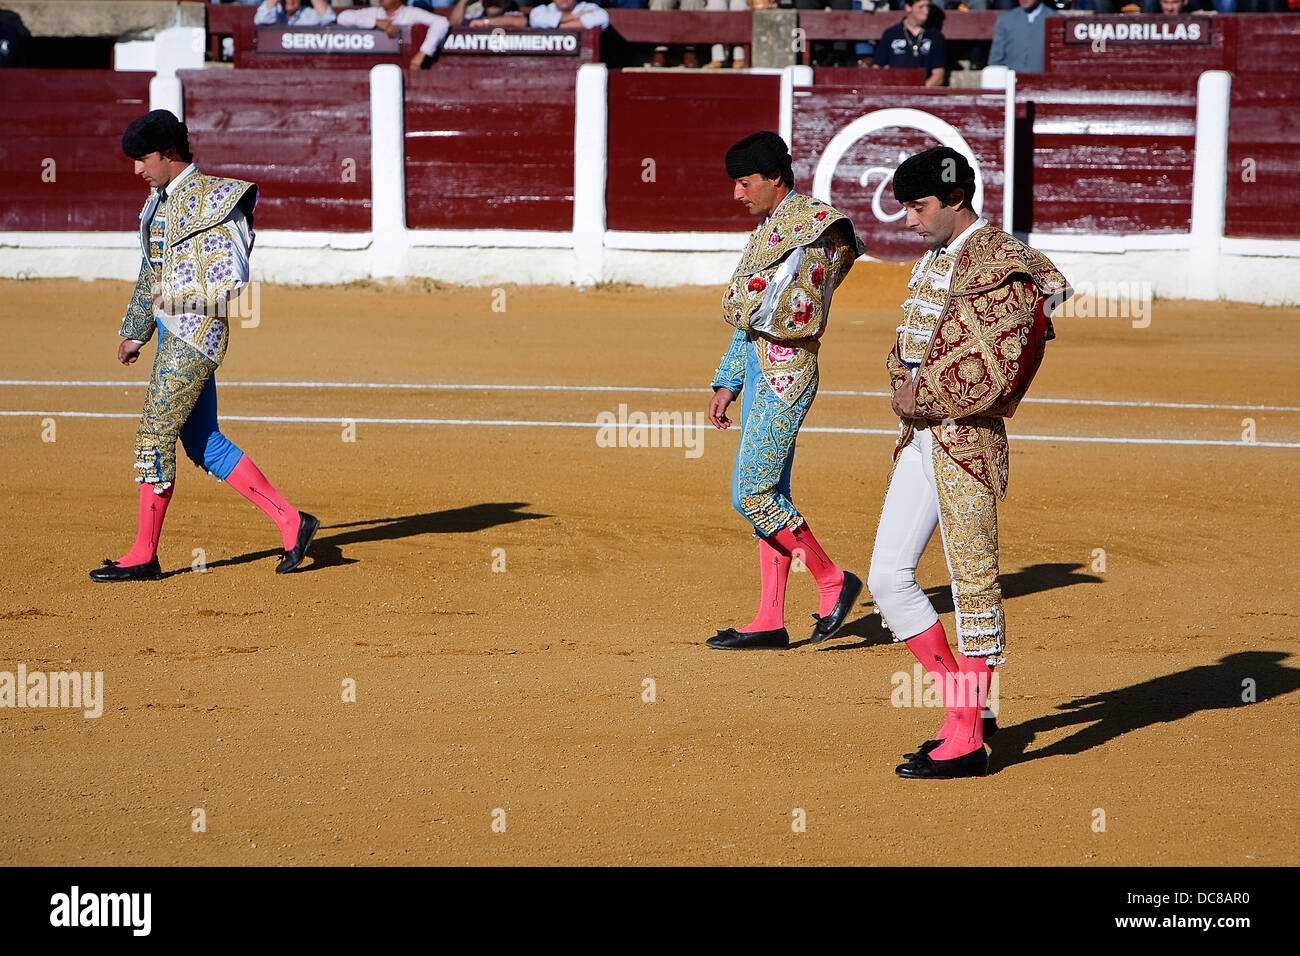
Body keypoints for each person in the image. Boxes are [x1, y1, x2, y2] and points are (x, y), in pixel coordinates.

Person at [868, 147, 1070, 778]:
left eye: (917, 206)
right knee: (887, 577)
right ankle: (968, 712)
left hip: (968, 441)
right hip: (922, 435)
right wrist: (907, 392)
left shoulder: (1000, 264)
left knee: (972, 583)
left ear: (955, 200)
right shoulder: (939, 258)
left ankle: (965, 734)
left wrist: (917, 392)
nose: (907, 221)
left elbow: (996, 370)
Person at [91, 110, 318, 582]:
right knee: (202, 442)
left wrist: (173, 300)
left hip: (195, 334)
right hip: (173, 332)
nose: (137, 169)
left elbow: (233, 280)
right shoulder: (159, 201)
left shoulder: (218, 199)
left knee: (155, 435)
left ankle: (142, 555)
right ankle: (292, 522)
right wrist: (136, 330)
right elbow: (151, 268)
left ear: (169, 154)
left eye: (143, 159)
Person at [706, 132, 865, 651]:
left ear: (775, 178)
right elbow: (753, 317)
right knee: (772, 495)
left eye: (745, 182)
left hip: (785, 370)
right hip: (758, 367)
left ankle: (831, 579)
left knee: (751, 494)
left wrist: (750, 319)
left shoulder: (817, 228)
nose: (737, 193)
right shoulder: (774, 227)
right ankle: (769, 619)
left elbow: (794, 312)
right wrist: (730, 379)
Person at [336, 0, 451, 69]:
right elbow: (342, 17)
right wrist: (375, 22)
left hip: (406, 68)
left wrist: (422, 53)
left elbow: (442, 22)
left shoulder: (411, 13)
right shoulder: (375, 13)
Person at [872, 0, 946, 87]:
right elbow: (877, 67)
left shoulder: (935, 36)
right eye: (921, 7)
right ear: (908, 7)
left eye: (928, 6)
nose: (926, 11)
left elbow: (938, 75)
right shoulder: (891, 34)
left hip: (924, 94)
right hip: (894, 92)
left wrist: (919, 92)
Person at [987, 0, 1056, 74]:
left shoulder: (1055, 20)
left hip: (1045, 82)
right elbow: (995, 60)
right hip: (1012, 82)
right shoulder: (1005, 20)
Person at [527, 0, 611, 30]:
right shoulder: (542, 10)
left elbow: (603, 18)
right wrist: (573, 17)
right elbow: (535, 20)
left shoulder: (588, 7)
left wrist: (561, 27)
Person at [448, 0, 524, 27]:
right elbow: (453, 24)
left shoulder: (512, 7)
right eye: (489, 1)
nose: (494, 2)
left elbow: (521, 22)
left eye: (498, 1)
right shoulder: (474, 9)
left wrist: (485, 22)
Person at [253, 0, 336, 25]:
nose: (290, 0)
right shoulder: (274, 12)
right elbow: (260, 20)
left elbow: (329, 19)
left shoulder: (309, 14)